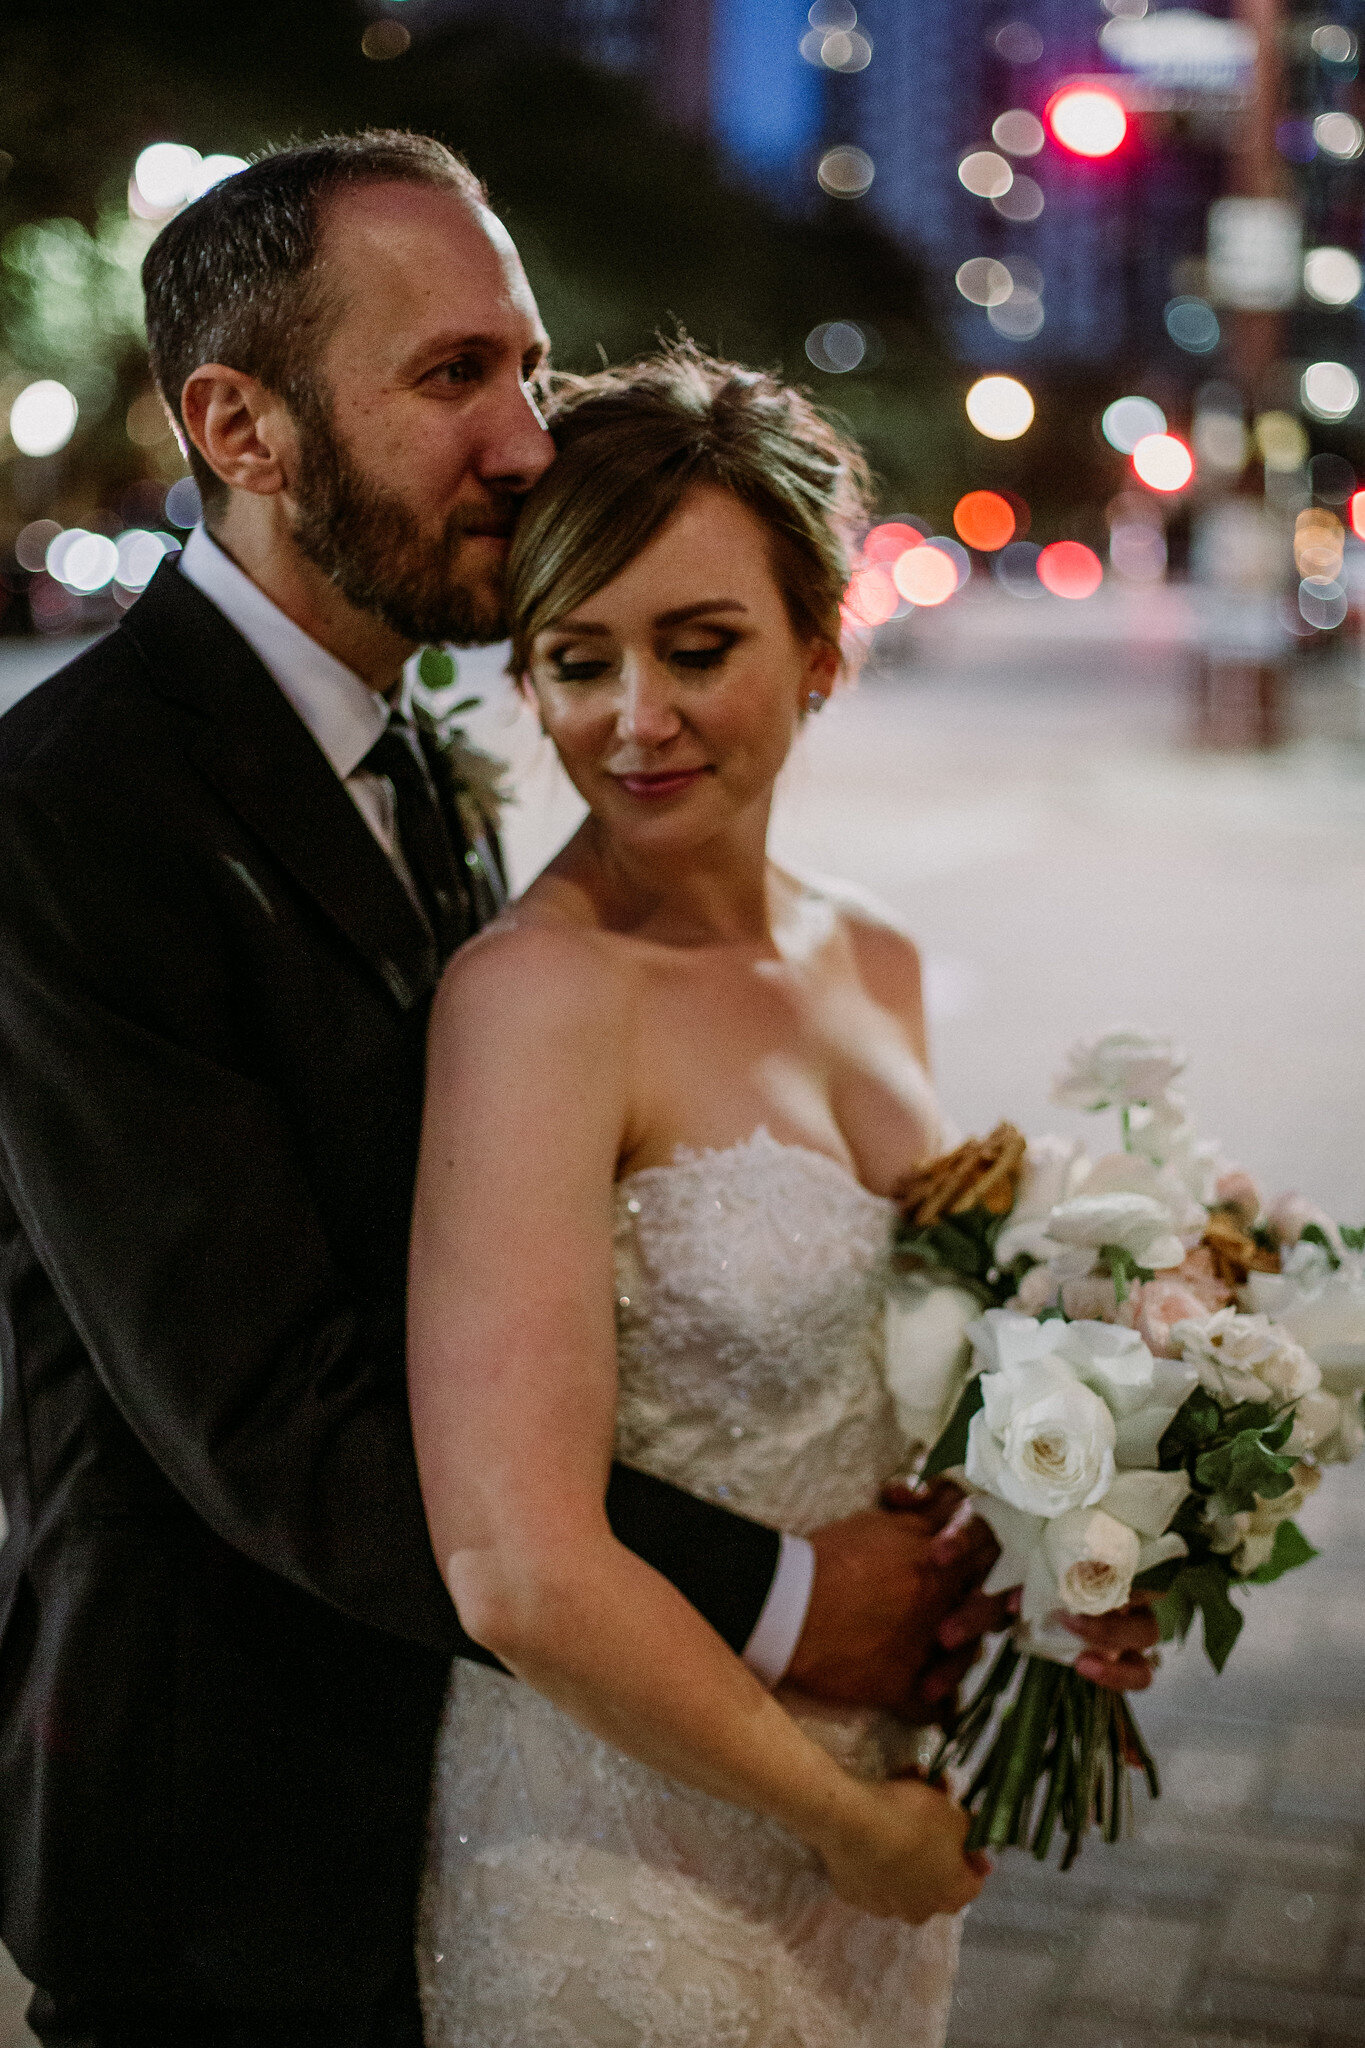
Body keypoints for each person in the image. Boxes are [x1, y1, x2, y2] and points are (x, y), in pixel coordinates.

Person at [0, 132, 1066, 2047]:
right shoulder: (73, 816)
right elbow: (271, 1419)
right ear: (239, 428)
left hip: (491, 1766)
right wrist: (779, 1600)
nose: (523, 438)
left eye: (526, 363)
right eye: (449, 378)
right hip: (217, 1830)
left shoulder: (413, 750)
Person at [407, 347, 1160, 2047]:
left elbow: (912, 1377)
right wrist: (837, 1821)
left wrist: (1081, 1564)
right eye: (576, 660)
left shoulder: (868, 956)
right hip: (627, 1856)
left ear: (822, 646)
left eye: (698, 647)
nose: (633, 719)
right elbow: (512, 1567)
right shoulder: (536, 1000)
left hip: (876, 1823)